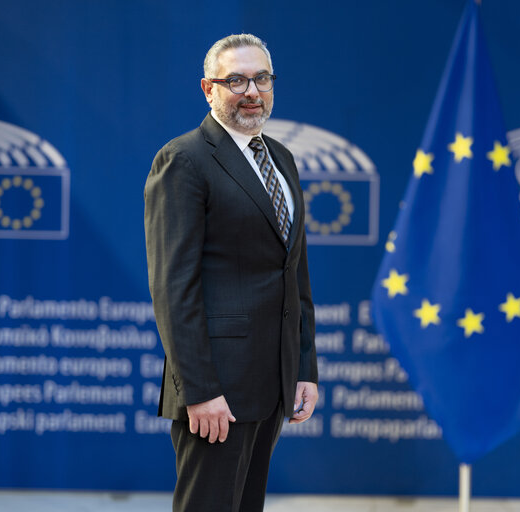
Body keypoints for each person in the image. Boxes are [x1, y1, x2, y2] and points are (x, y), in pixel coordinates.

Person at [143, 33, 318, 512]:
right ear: (208, 89)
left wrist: (304, 367)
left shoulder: (280, 157)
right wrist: (200, 392)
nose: (251, 91)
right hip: (215, 391)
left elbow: (294, 273)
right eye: (235, 79)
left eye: (261, 78)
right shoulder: (183, 160)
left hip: (272, 384)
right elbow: (173, 288)